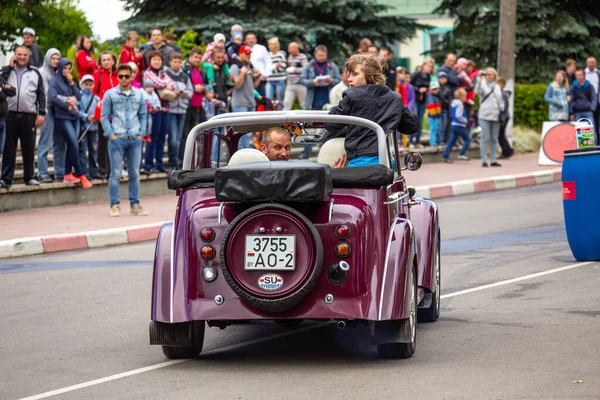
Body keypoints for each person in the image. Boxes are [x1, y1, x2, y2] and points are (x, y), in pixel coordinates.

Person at [324, 54, 419, 167]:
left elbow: (330, 123)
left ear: (370, 76)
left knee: (331, 179)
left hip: (359, 162)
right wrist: (394, 120)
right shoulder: (394, 98)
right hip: (388, 162)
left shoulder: (352, 96)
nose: (349, 79)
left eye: (355, 74)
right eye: (349, 75)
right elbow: (412, 126)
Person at [101, 64, 148, 217]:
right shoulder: (110, 94)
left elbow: (143, 115)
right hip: (117, 138)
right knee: (115, 173)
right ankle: (114, 205)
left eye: (126, 76)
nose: (123, 79)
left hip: (135, 138)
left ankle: (135, 204)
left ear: (131, 76)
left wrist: (142, 133)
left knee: (134, 173)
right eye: (120, 76)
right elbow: (104, 116)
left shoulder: (139, 94)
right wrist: (110, 134)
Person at [0, 46, 45, 188]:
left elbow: (41, 95)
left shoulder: (35, 73)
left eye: (24, 55)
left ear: (28, 56)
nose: (22, 57)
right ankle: (6, 179)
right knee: (9, 148)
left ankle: (29, 177)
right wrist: (8, 67)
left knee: (29, 147)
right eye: (19, 54)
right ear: (14, 55)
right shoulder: (6, 71)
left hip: (28, 115)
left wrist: (42, 113)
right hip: (9, 115)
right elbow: (0, 81)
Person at [48, 58, 92, 188]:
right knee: (73, 144)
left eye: (69, 68)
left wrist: (72, 82)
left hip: (75, 117)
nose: (67, 71)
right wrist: (67, 106)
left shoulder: (69, 81)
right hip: (63, 117)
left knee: (73, 145)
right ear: (60, 67)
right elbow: (52, 97)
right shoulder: (55, 81)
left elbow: (79, 97)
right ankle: (81, 175)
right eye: (65, 68)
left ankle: (67, 173)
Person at [300, 45, 341, 159]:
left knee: (328, 127)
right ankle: (306, 152)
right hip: (313, 101)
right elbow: (302, 80)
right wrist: (312, 82)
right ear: (315, 55)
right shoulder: (309, 66)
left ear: (326, 55)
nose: (321, 57)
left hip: (328, 101)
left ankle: (324, 152)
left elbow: (339, 80)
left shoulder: (332, 66)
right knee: (309, 128)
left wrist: (331, 80)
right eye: (319, 55)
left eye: (323, 55)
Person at [142, 51, 175, 173]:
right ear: (150, 61)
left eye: (159, 60)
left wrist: (165, 84)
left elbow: (173, 84)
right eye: (154, 59)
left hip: (165, 108)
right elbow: (158, 83)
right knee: (153, 137)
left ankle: (159, 164)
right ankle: (149, 165)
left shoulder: (163, 73)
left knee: (162, 137)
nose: (157, 62)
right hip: (154, 111)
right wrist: (166, 84)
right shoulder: (147, 73)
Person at [92, 51, 119, 179]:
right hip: (104, 115)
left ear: (113, 61)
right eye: (104, 60)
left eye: (109, 59)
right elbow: (92, 94)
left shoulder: (118, 76)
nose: (107, 62)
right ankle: (103, 169)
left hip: (118, 116)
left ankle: (115, 169)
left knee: (117, 144)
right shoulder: (97, 76)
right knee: (103, 143)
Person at [37, 48, 62, 183]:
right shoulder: (42, 72)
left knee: (58, 143)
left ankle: (59, 173)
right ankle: (42, 173)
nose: (56, 61)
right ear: (47, 58)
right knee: (45, 142)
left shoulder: (59, 73)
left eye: (58, 59)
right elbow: (47, 95)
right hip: (46, 109)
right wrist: (65, 100)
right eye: (53, 58)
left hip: (59, 110)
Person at [165, 52, 192, 170]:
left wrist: (185, 94)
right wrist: (173, 93)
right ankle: (172, 162)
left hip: (182, 109)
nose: (176, 64)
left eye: (178, 62)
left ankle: (177, 162)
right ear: (170, 62)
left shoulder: (185, 76)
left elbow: (190, 92)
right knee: (173, 138)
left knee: (180, 137)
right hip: (171, 109)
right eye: (174, 61)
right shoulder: (166, 75)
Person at [230, 44, 260, 148]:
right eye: (247, 54)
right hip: (240, 103)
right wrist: (242, 73)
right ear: (241, 54)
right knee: (242, 133)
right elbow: (237, 85)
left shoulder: (248, 66)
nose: (249, 55)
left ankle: (246, 155)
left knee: (249, 132)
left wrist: (258, 76)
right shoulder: (235, 67)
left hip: (250, 102)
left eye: (250, 53)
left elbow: (253, 86)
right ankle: (242, 158)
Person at [180, 47, 206, 167]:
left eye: (199, 58)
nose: (197, 59)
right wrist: (195, 88)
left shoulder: (199, 70)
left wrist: (203, 88)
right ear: (190, 57)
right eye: (195, 57)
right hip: (187, 106)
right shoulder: (185, 69)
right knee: (185, 134)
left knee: (192, 133)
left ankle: (189, 159)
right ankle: (181, 160)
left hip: (197, 105)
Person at [475, 67, 504, 167]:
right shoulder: (482, 84)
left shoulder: (497, 86)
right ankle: (484, 160)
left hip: (496, 115)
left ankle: (493, 159)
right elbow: (477, 92)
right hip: (484, 115)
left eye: (491, 74)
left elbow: (500, 100)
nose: (489, 76)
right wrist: (479, 81)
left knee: (494, 138)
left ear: (495, 76)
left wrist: (502, 111)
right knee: (484, 137)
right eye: (487, 74)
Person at [78, 75, 101, 179]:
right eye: (86, 84)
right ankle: (84, 171)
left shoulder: (96, 98)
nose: (88, 86)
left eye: (90, 84)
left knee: (93, 149)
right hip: (83, 126)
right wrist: (86, 117)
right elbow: (77, 111)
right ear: (81, 85)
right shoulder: (79, 96)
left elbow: (100, 110)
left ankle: (94, 171)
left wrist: (97, 117)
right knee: (83, 150)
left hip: (94, 127)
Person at [442, 88, 471, 163]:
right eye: (464, 96)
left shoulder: (453, 103)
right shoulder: (460, 104)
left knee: (451, 141)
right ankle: (462, 153)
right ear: (461, 97)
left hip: (453, 124)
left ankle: (445, 155)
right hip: (459, 125)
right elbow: (458, 115)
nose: (465, 98)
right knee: (467, 139)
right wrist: (465, 120)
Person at [410, 59, 434, 147]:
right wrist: (418, 89)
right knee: (413, 119)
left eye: (431, 67)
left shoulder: (428, 76)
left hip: (422, 100)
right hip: (415, 99)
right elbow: (410, 85)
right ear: (423, 65)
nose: (429, 68)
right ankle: (410, 142)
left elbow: (428, 87)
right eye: (428, 66)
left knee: (420, 120)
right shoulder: (417, 73)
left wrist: (426, 90)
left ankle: (417, 141)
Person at [282, 42, 308, 110]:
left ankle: (306, 120)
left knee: (303, 104)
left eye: (291, 48)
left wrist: (294, 70)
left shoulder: (302, 57)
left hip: (300, 84)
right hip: (290, 84)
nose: (289, 50)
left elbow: (306, 69)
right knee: (287, 103)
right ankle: (285, 120)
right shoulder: (290, 57)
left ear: (296, 48)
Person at [0, 67, 16, 162]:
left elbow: (13, 91)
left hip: (3, 121)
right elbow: (3, 95)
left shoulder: (0, 78)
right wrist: (3, 92)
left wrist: (2, 90)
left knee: (1, 152)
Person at [396, 67, 415, 149]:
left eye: (404, 74)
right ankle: (398, 142)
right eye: (401, 73)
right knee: (397, 126)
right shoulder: (397, 84)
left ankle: (404, 144)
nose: (403, 76)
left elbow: (410, 98)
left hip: (404, 107)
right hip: (398, 107)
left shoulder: (408, 86)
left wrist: (407, 107)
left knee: (404, 126)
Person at [496, 76, 513, 159]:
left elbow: (504, 107)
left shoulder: (503, 95)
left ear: (502, 84)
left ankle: (506, 152)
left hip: (503, 117)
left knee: (500, 135)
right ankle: (508, 150)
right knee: (502, 134)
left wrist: (502, 116)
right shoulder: (504, 94)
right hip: (505, 116)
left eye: (498, 83)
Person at [266, 37, 287, 101]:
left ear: (275, 45)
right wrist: (275, 65)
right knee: (268, 98)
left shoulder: (281, 54)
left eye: (271, 44)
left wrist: (274, 67)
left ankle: (280, 110)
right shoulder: (267, 55)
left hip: (280, 79)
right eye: (269, 45)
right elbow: (267, 67)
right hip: (270, 79)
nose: (269, 46)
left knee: (279, 99)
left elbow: (283, 67)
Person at [585, 57, 600, 135]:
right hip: (586, 99)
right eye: (589, 62)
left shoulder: (598, 73)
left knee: (597, 122)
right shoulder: (584, 73)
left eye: (592, 62)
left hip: (597, 100)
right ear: (586, 63)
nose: (591, 64)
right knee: (587, 122)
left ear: (595, 63)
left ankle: (597, 143)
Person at [426, 81, 442, 147]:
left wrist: (438, 113)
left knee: (438, 129)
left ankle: (438, 141)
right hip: (432, 116)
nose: (435, 91)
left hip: (437, 115)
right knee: (433, 129)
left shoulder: (437, 97)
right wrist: (434, 114)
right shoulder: (430, 96)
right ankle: (433, 143)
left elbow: (438, 106)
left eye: (436, 89)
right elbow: (430, 106)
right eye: (433, 89)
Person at [437, 71, 452, 144]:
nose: (442, 80)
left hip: (445, 109)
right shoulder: (436, 88)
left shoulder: (448, 89)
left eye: (444, 78)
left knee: (444, 125)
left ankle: (443, 140)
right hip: (438, 109)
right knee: (439, 126)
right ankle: (439, 140)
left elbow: (449, 101)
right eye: (441, 78)